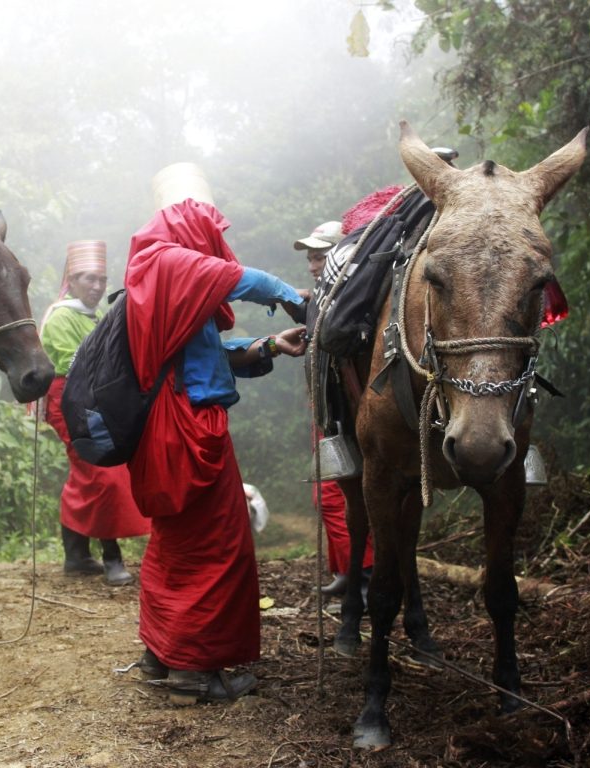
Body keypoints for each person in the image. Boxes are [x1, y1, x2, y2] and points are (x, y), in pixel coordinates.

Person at [124, 162, 309, 702]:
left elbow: (196, 353)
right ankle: (193, 670)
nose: (214, 234)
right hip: (185, 427)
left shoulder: (163, 279)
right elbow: (239, 278)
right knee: (216, 543)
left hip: (173, 420)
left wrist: (271, 345)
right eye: (205, 221)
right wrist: (291, 292)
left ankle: (160, 654)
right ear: (186, 220)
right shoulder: (163, 262)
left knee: (177, 540)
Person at [40, 240, 150, 586]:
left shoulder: (97, 316)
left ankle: (75, 554)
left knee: (85, 474)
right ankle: (111, 556)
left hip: (98, 400)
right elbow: (75, 365)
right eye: (89, 279)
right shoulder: (60, 317)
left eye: (102, 279)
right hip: (70, 403)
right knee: (102, 471)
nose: (97, 286)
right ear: (70, 280)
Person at [293, 220, 374, 599]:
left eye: (320, 255)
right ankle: (346, 570)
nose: (313, 264)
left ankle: (365, 572)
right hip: (327, 408)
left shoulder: (358, 297)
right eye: (310, 257)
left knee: (336, 494)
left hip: (347, 410)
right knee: (327, 495)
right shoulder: (326, 298)